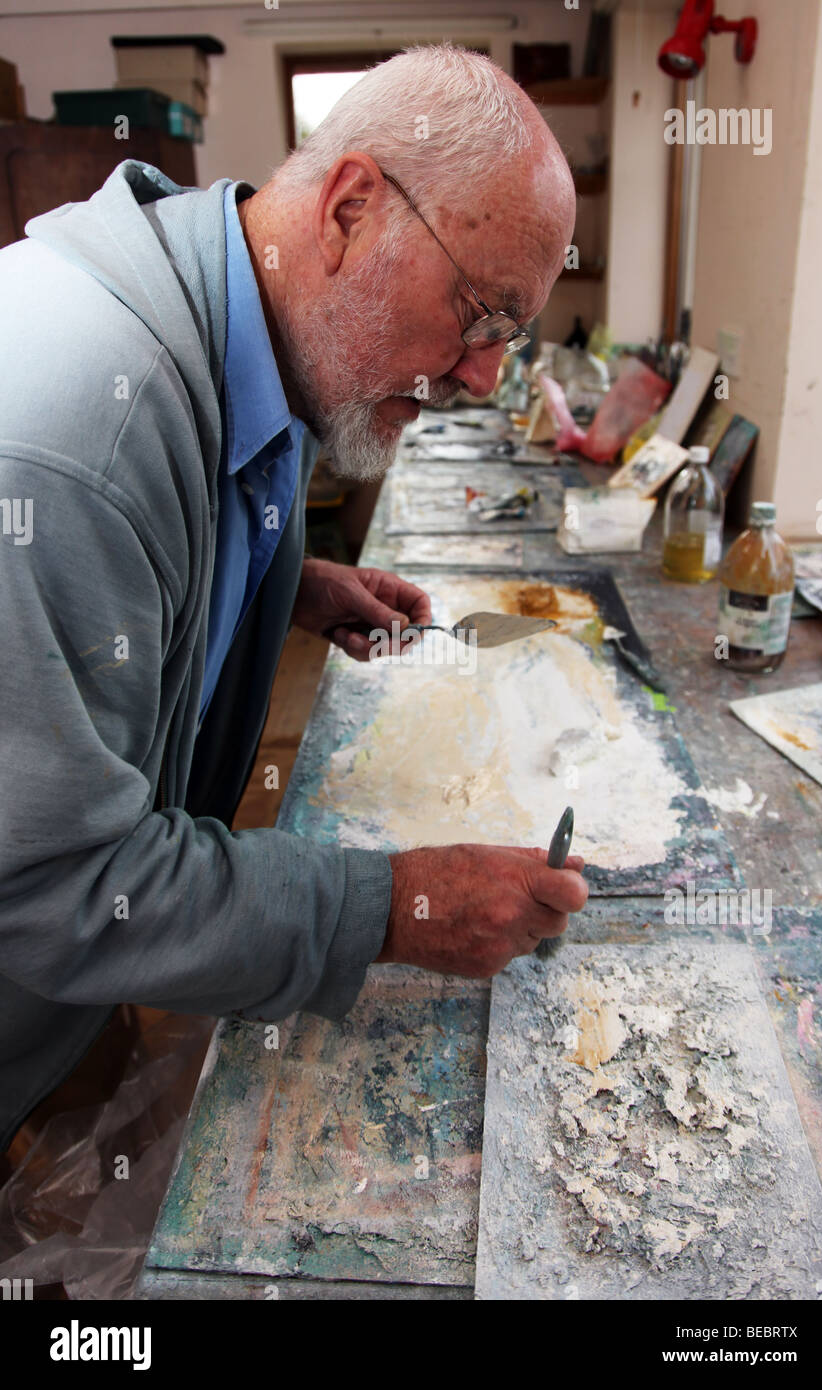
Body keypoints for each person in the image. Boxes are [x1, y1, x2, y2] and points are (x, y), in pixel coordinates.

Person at [0, 43, 586, 1152]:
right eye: (478, 313)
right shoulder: (74, 437)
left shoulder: (235, 313)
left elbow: (168, 520)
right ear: (352, 207)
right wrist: (396, 904)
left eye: (509, 337)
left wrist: (285, 579)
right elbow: (59, 886)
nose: (480, 376)